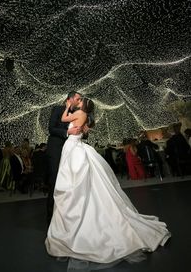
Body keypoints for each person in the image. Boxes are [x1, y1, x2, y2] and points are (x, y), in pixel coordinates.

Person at [45, 97, 171, 269]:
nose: (79, 101)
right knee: (80, 182)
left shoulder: (79, 113)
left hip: (74, 149)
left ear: (83, 106)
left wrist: (67, 108)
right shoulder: (84, 115)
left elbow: (63, 120)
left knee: (77, 183)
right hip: (74, 148)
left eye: (80, 100)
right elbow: (81, 128)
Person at [46, 91, 83, 225]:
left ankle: (68, 214)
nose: (79, 101)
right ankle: (51, 216)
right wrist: (67, 132)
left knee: (70, 181)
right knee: (56, 180)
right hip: (56, 149)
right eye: (78, 98)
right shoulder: (58, 109)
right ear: (70, 99)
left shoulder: (77, 113)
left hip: (70, 151)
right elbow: (51, 129)